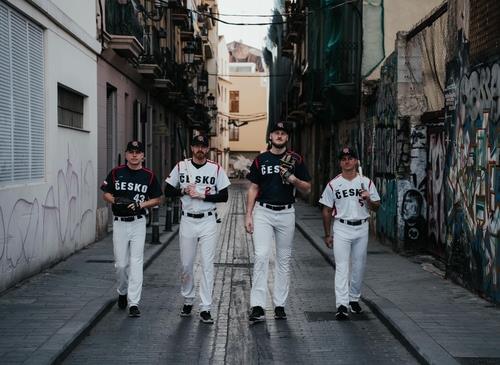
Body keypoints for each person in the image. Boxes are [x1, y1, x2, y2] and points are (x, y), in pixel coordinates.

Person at [245, 122, 311, 323]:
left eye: (283, 133)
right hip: (263, 211)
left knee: (283, 259)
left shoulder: (296, 160)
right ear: (270, 136)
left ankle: (280, 305)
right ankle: (257, 306)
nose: (280, 136)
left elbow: (307, 188)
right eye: (276, 133)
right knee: (261, 256)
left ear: (287, 137)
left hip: (286, 212)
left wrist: (293, 180)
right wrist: (248, 215)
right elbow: (253, 188)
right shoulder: (261, 159)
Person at [164, 134, 230, 324]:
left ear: (207, 149)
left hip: (208, 219)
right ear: (192, 148)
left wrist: (203, 196)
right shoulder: (181, 166)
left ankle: (206, 307)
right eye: (196, 146)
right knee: (186, 263)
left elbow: (224, 196)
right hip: (188, 220)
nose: (200, 149)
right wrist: (183, 191)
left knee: (207, 264)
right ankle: (188, 298)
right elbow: (167, 190)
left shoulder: (215, 168)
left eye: (203, 146)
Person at [101, 140, 162, 318]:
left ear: (143, 155)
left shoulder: (148, 175)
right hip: (119, 222)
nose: (134, 155)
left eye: (138, 152)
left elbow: (158, 198)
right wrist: (116, 201)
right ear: (126, 154)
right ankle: (122, 291)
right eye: (131, 152)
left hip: (138, 222)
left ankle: (134, 302)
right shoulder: (116, 172)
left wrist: (141, 204)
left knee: (136, 262)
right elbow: (105, 193)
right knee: (121, 264)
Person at [319, 147, 380, 320]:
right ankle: (341, 304)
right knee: (342, 266)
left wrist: (368, 198)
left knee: (359, 266)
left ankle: (354, 299)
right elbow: (326, 209)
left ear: (356, 161)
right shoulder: (333, 184)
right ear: (340, 162)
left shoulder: (366, 182)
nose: (347, 161)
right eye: (344, 158)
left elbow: (377, 207)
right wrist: (327, 234)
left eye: (350, 158)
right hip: (341, 227)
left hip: (361, 227)